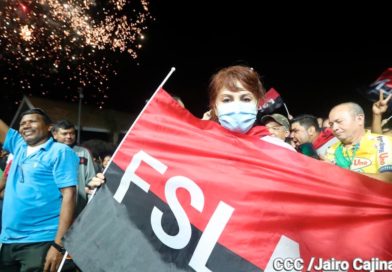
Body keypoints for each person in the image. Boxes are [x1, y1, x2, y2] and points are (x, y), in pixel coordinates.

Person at [88, 65, 292, 190]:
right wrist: (111, 185)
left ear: (258, 103)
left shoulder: (279, 151)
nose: (236, 105)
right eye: (227, 99)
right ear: (215, 106)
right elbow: (160, 182)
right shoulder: (196, 146)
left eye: (245, 98)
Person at [0, 108, 79, 272]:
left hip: (41, 240)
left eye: (32, 121)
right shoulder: (19, 146)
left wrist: (58, 245)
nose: (26, 126)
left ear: (49, 127)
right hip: (9, 240)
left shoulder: (60, 151)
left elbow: (69, 196)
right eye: (22, 123)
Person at [325, 102, 392, 182]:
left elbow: (387, 179)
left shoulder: (382, 142)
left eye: (339, 122)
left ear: (359, 119)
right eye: (331, 124)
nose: (334, 128)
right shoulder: (331, 149)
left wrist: (341, 172)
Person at [52, 119, 96, 217]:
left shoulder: (84, 153)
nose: (69, 136)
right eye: (65, 133)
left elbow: (91, 180)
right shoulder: (49, 153)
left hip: (79, 210)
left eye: (72, 133)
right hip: (53, 211)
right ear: (55, 135)